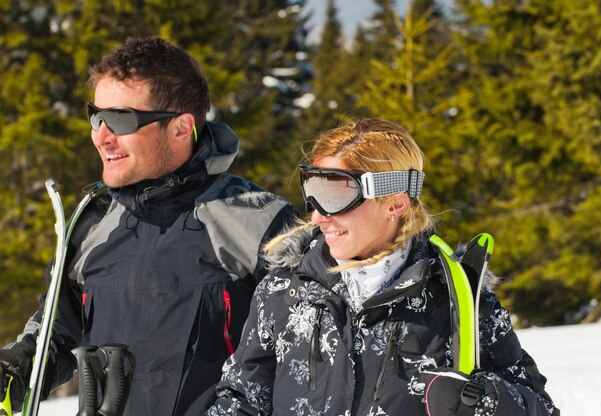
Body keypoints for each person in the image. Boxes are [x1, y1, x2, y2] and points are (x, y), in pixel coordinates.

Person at [0, 37, 297, 415]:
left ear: (179, 128)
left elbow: (301, 364)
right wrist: (16, 368)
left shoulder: (261, 225)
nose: (102, 136)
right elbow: (56, 334)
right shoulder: (91, 223)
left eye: (121, 119)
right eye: (97, 116)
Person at [206, 118, 560, 415]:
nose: (317, 215)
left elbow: (539, 407)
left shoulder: (456, 300)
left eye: (334, 195)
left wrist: (480, 400)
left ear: (395, 202)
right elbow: (242, 398)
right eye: (312, 191)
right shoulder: (283, 292)